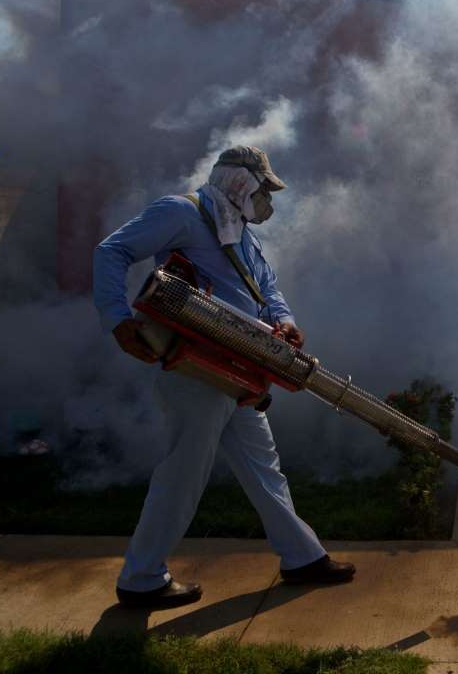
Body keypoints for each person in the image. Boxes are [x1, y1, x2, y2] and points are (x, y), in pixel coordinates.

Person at [93, 145, 355, 609]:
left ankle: (302, 557)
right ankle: (141, 578)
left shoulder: (242, 234)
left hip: (236, 370)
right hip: (197, 368)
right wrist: (117, 319)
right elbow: (112, 250)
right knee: (183, 473)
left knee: (264, 469)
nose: (267, 201)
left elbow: (266, 288)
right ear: (240, 182)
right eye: (263, 189)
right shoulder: (181, 212)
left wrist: (284, 319)